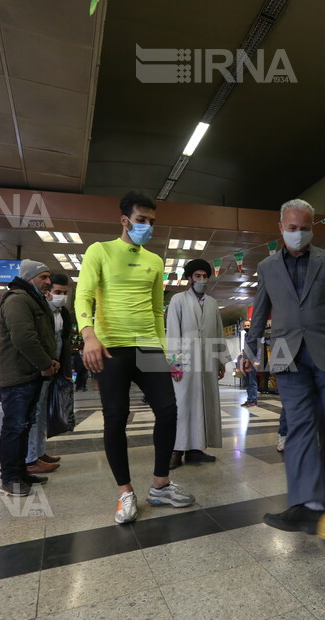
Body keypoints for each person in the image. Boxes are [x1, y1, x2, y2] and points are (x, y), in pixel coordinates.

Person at [76, 192, 195, 524]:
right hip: (111, 347)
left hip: (149, 347)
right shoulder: (99, 251)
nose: (147, 226)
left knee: (169, 410)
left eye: (152, 222)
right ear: (124, 219)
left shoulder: (155, 261)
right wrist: (89, 335)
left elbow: (158, 312)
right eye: (141, 219)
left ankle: (160, 485)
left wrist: (166, 353)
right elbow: (84, 294)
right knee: (116, 418)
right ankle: (125, 492)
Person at [244, 198, 325, 533]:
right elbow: (260, 311)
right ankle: (307, 504)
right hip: (283, 351)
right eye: (292, 228)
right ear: (280, 228)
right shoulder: (266, 267)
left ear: (313, 227)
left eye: (304, 228)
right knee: (299, 426)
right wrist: (250, 352)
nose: (298, 234)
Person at [0, 261, 58, 496]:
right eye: (43, 277)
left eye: (48, 277)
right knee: (14, 427)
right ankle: (9, 478)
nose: (48, 281)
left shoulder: (31, 298)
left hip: (28, 373)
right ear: (30, 278)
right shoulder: (18, 299)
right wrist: (45, 364)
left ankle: (20, 472)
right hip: (18, 375)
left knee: (23, 426)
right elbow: (24, 338)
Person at [167, 258, 224, 469]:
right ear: (189, 278)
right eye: (198, 276)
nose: (202, 280)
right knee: (183, 406)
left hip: (208, 362)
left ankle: (195, 450)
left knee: (204, 405)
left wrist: (220, 362)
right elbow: (172, 332)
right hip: (185, 364)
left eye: (205, 276)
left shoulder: (212, 303)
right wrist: (174, 363)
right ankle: (176, 450)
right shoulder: (178, 300)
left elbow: (218, 332)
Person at [25, 273, 73, 474]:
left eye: (64, 292)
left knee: (43, 412)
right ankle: (30, 458)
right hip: (39, 368)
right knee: (34, 412)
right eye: (57, 292)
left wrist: (66, 370)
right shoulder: (40, 311)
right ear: (48, 292)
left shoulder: (63, 313)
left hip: (54, 369)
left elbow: (66, 343)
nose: (61, 296)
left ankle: (40, 452)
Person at [241, 319, 259, 407]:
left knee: (252, 382)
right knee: (247, 382)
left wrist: (257, 360)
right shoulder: (245, 335)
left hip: (252, 362)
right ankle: (249, 399)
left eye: (248, 326)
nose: (246, 327)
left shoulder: (254, 336)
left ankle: (254, 400)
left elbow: (259, 348)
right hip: (245, 362)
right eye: (245, 326)